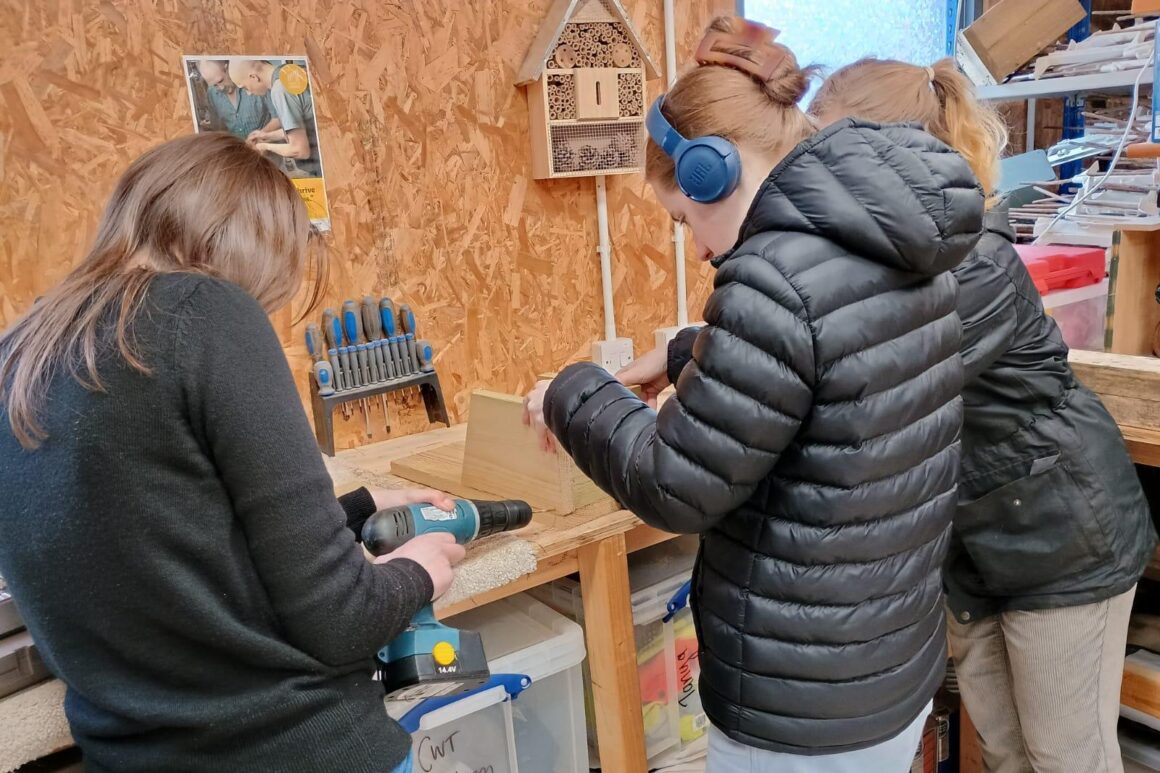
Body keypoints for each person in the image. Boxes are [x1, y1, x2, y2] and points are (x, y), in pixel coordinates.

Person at [524, 17, 984, 772]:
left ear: (713, 170)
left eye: (684, 219)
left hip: (800, 712)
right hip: (884, 677)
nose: (699, 247)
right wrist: (682, 356)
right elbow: (834, 368)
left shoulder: (771, 278)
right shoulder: (895, 238)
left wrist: (573, 392)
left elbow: (675, 486)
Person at [0, 133, 462, 773]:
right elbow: (344, 620)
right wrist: (420, 568)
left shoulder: (21, 354)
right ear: (245, 247)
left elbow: (169, 545)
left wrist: (354, 507)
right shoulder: (204, 310)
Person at [810, 57, 1157, 773]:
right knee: (1003, 748)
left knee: (1065, 756)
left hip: (1062, 536)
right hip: (979, 542)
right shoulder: (877, 256)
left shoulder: (974, 263)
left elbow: (859, 376)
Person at [230, 59, 323, 177]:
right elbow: (307, 128)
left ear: (254, 77)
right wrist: (267, 136)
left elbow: (300, 150)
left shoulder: (280, 90)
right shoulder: (290, 71)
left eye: (245, 88)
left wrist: (263, 147)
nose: (249, 93)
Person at [194, 59, 280, 141]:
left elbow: (278, 119)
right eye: (214, 85)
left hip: (268, 150)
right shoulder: (212, 93)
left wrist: (259, 136)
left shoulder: (254, 82)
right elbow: (219, 129)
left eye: (220, 81)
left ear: (228, 68)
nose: (220, 88)